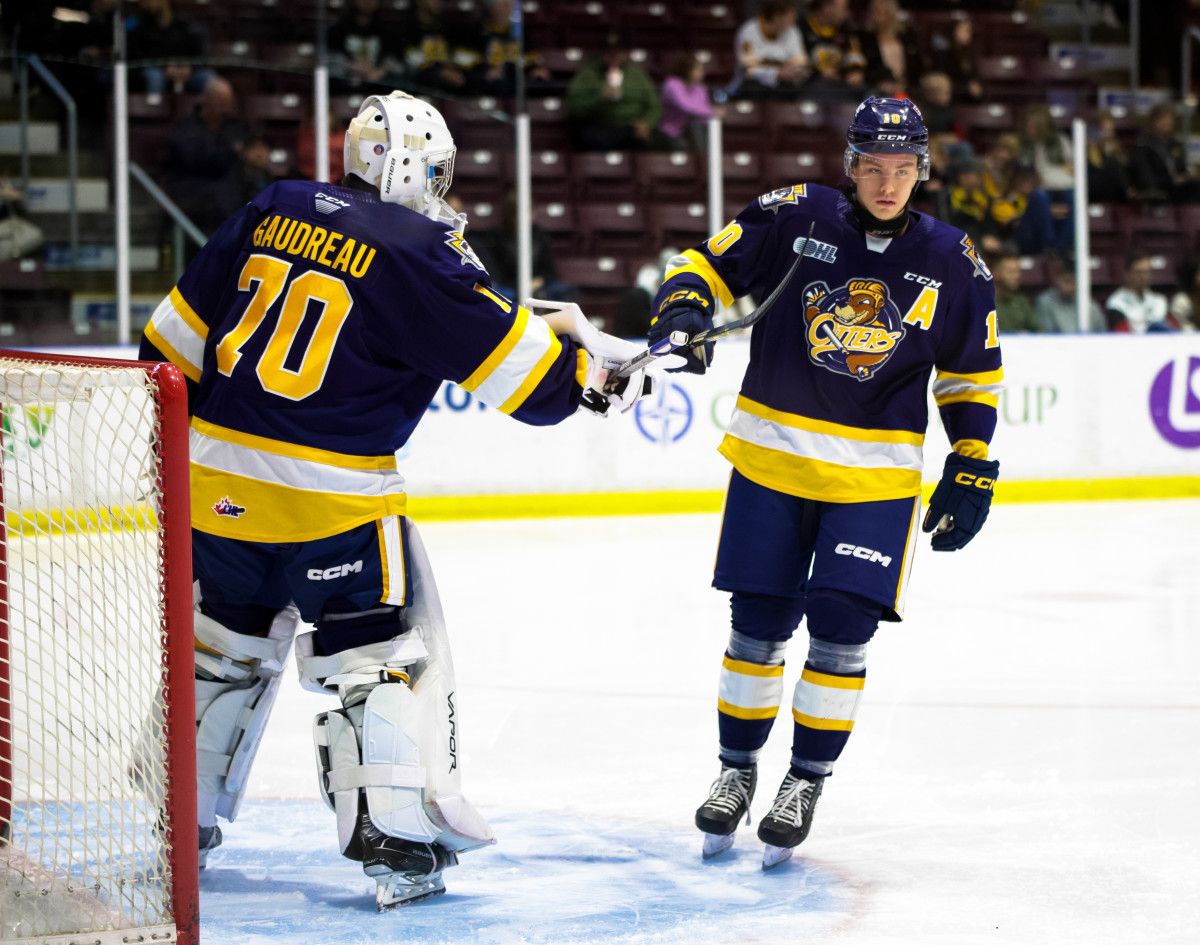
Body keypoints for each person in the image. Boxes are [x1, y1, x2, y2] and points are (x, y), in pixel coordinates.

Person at [137, 91, 656, 909]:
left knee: (224, 642)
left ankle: (173, 824)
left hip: (216, 486)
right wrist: (603, 383)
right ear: (415, 165)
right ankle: (391, 839)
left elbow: (165, 346)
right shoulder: (419, 251)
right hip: (333, 498)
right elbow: (535, 387)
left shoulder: (275, 204)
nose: (445, 191)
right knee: (372, 653)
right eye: (440, 173)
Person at [645, 97, 1003, 867]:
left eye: (903, 170)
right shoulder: (793, 215)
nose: (887, 183)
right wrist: (680, 311)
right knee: (759, 622)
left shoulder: (952, 259)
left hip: (876, 482)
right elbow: (703, 264)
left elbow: (971, 374)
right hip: (773, 461)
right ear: (851, 164)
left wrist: (971, 461)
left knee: (842, 624)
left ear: (922, 171)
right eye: (874, 167)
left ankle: (804, 779)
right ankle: (735, 771)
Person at [565, 30, 661, 151]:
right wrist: (600, 96)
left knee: (648, 141)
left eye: (618, 51)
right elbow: (574, 106)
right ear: (602, 53)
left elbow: (654, 105)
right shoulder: (589, 75)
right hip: (600, 127)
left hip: (631, 126)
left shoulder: (637, 75)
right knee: (588, 138)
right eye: (609, 51)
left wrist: (646, 123)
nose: (614, 55)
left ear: (626, 53)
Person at [731, 0, 809, 99]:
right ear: (777, 16)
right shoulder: (748, 32)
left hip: (784, 84)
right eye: (790, 15)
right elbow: (749, 69)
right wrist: (777, 73)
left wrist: (797, 70)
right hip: (753, 87)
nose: (795, 18)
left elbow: (800, 60)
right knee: (754, 87)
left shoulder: (793, 31)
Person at [1129, 103, 1200, 202]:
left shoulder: (1175, 144)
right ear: (1154, 121)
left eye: (1170, 119)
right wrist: (1171, 181)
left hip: (1179, 189)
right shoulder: (1143, 146)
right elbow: (1145, 179)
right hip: (1160, 191)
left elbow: (1182, 168)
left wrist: (1187, 176)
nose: (1168, 122)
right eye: (1164, 119)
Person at [659, 53, 719, 152]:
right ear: (687, 70)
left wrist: (710, 112)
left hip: (693, 131)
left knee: (701, 126)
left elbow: (703, 108)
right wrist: (713, 111)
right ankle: (701, 157)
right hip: (672, 133)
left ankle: (704, 158)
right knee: (694, 124)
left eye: (702, 70)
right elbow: (687, 106)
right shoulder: (672, 84)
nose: (702, 73)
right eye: (698, 70)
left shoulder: (700, 88)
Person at [1105, 254, 1170, 332]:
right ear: (1127, 274)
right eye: (1139, 272)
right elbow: (1120, 334)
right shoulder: (1116, 302)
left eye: (1147, 272)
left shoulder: (1159, 301)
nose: (1143, 277)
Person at [1034, 261, 1105, 333]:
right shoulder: (1045, 302)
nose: (1070, 287)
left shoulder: (1090, 305)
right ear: (1057, 280)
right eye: (1067, 281)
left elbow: (1102, 334)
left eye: (1074, 282)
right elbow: (1045, 335)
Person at [991, 252, 1038, 333]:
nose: (1016, 276)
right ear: (995, 272)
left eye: (1017, 272)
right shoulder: (983, 302)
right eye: (1010, 272)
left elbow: (1039, 332)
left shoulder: (1021, 301)